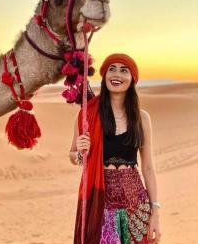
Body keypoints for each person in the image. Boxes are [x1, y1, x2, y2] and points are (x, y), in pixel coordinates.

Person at [69, 53, 161, 244]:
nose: (116, 74)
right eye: (112, 69)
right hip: (100, 200)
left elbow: (149, 168)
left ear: (132, 79)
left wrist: (155, 212)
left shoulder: (142, 119)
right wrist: (79, 152)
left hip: (135, 201)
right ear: (104, 76)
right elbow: (73, 156)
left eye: (123, 70)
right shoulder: (87, 115)